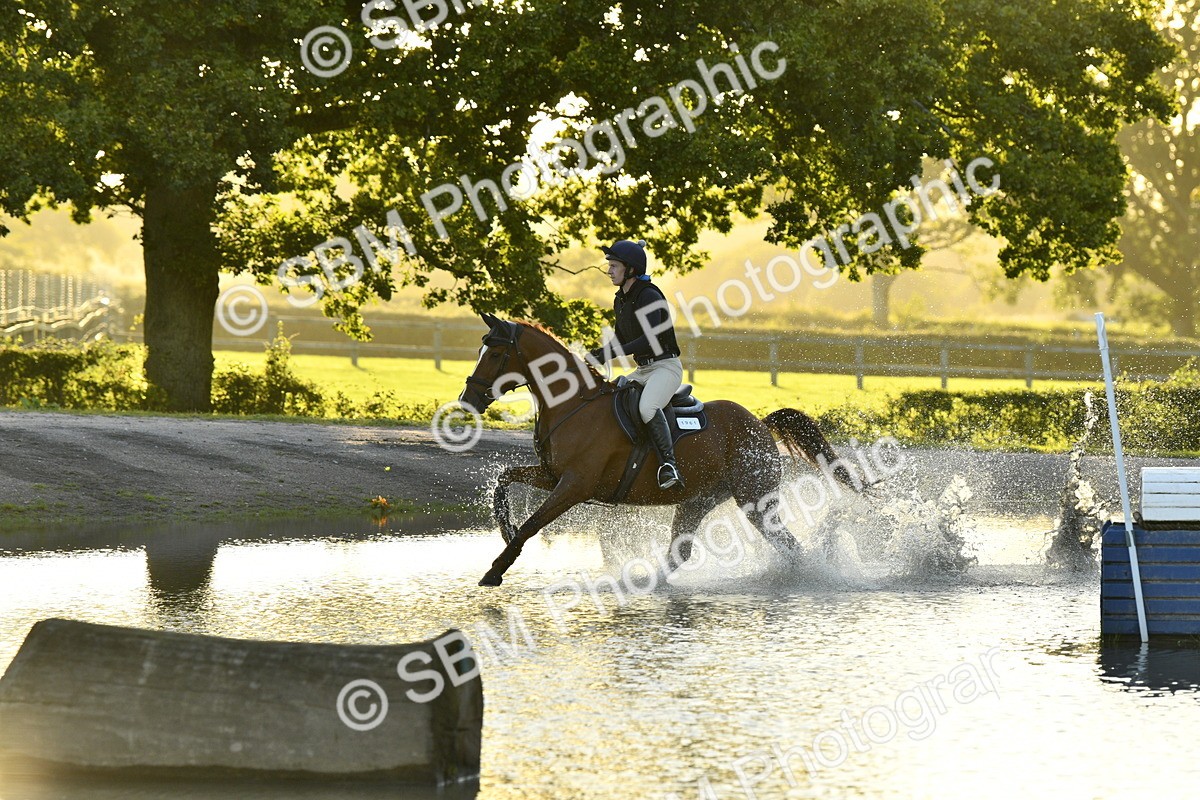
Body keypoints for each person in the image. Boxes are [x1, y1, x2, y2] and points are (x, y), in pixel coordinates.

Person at [587, 239, 685, 489]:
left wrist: (609, 354)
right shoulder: (621, 299)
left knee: (647, 408)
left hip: (665, 368)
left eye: (614, 266)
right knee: (610, 397)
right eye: (609, 265)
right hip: (643, 370)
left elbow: (647, 340)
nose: (609, 271)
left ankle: (668, 465)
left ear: (630, 268)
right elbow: (621, 338)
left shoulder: (649, 296)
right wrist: (599, 352)